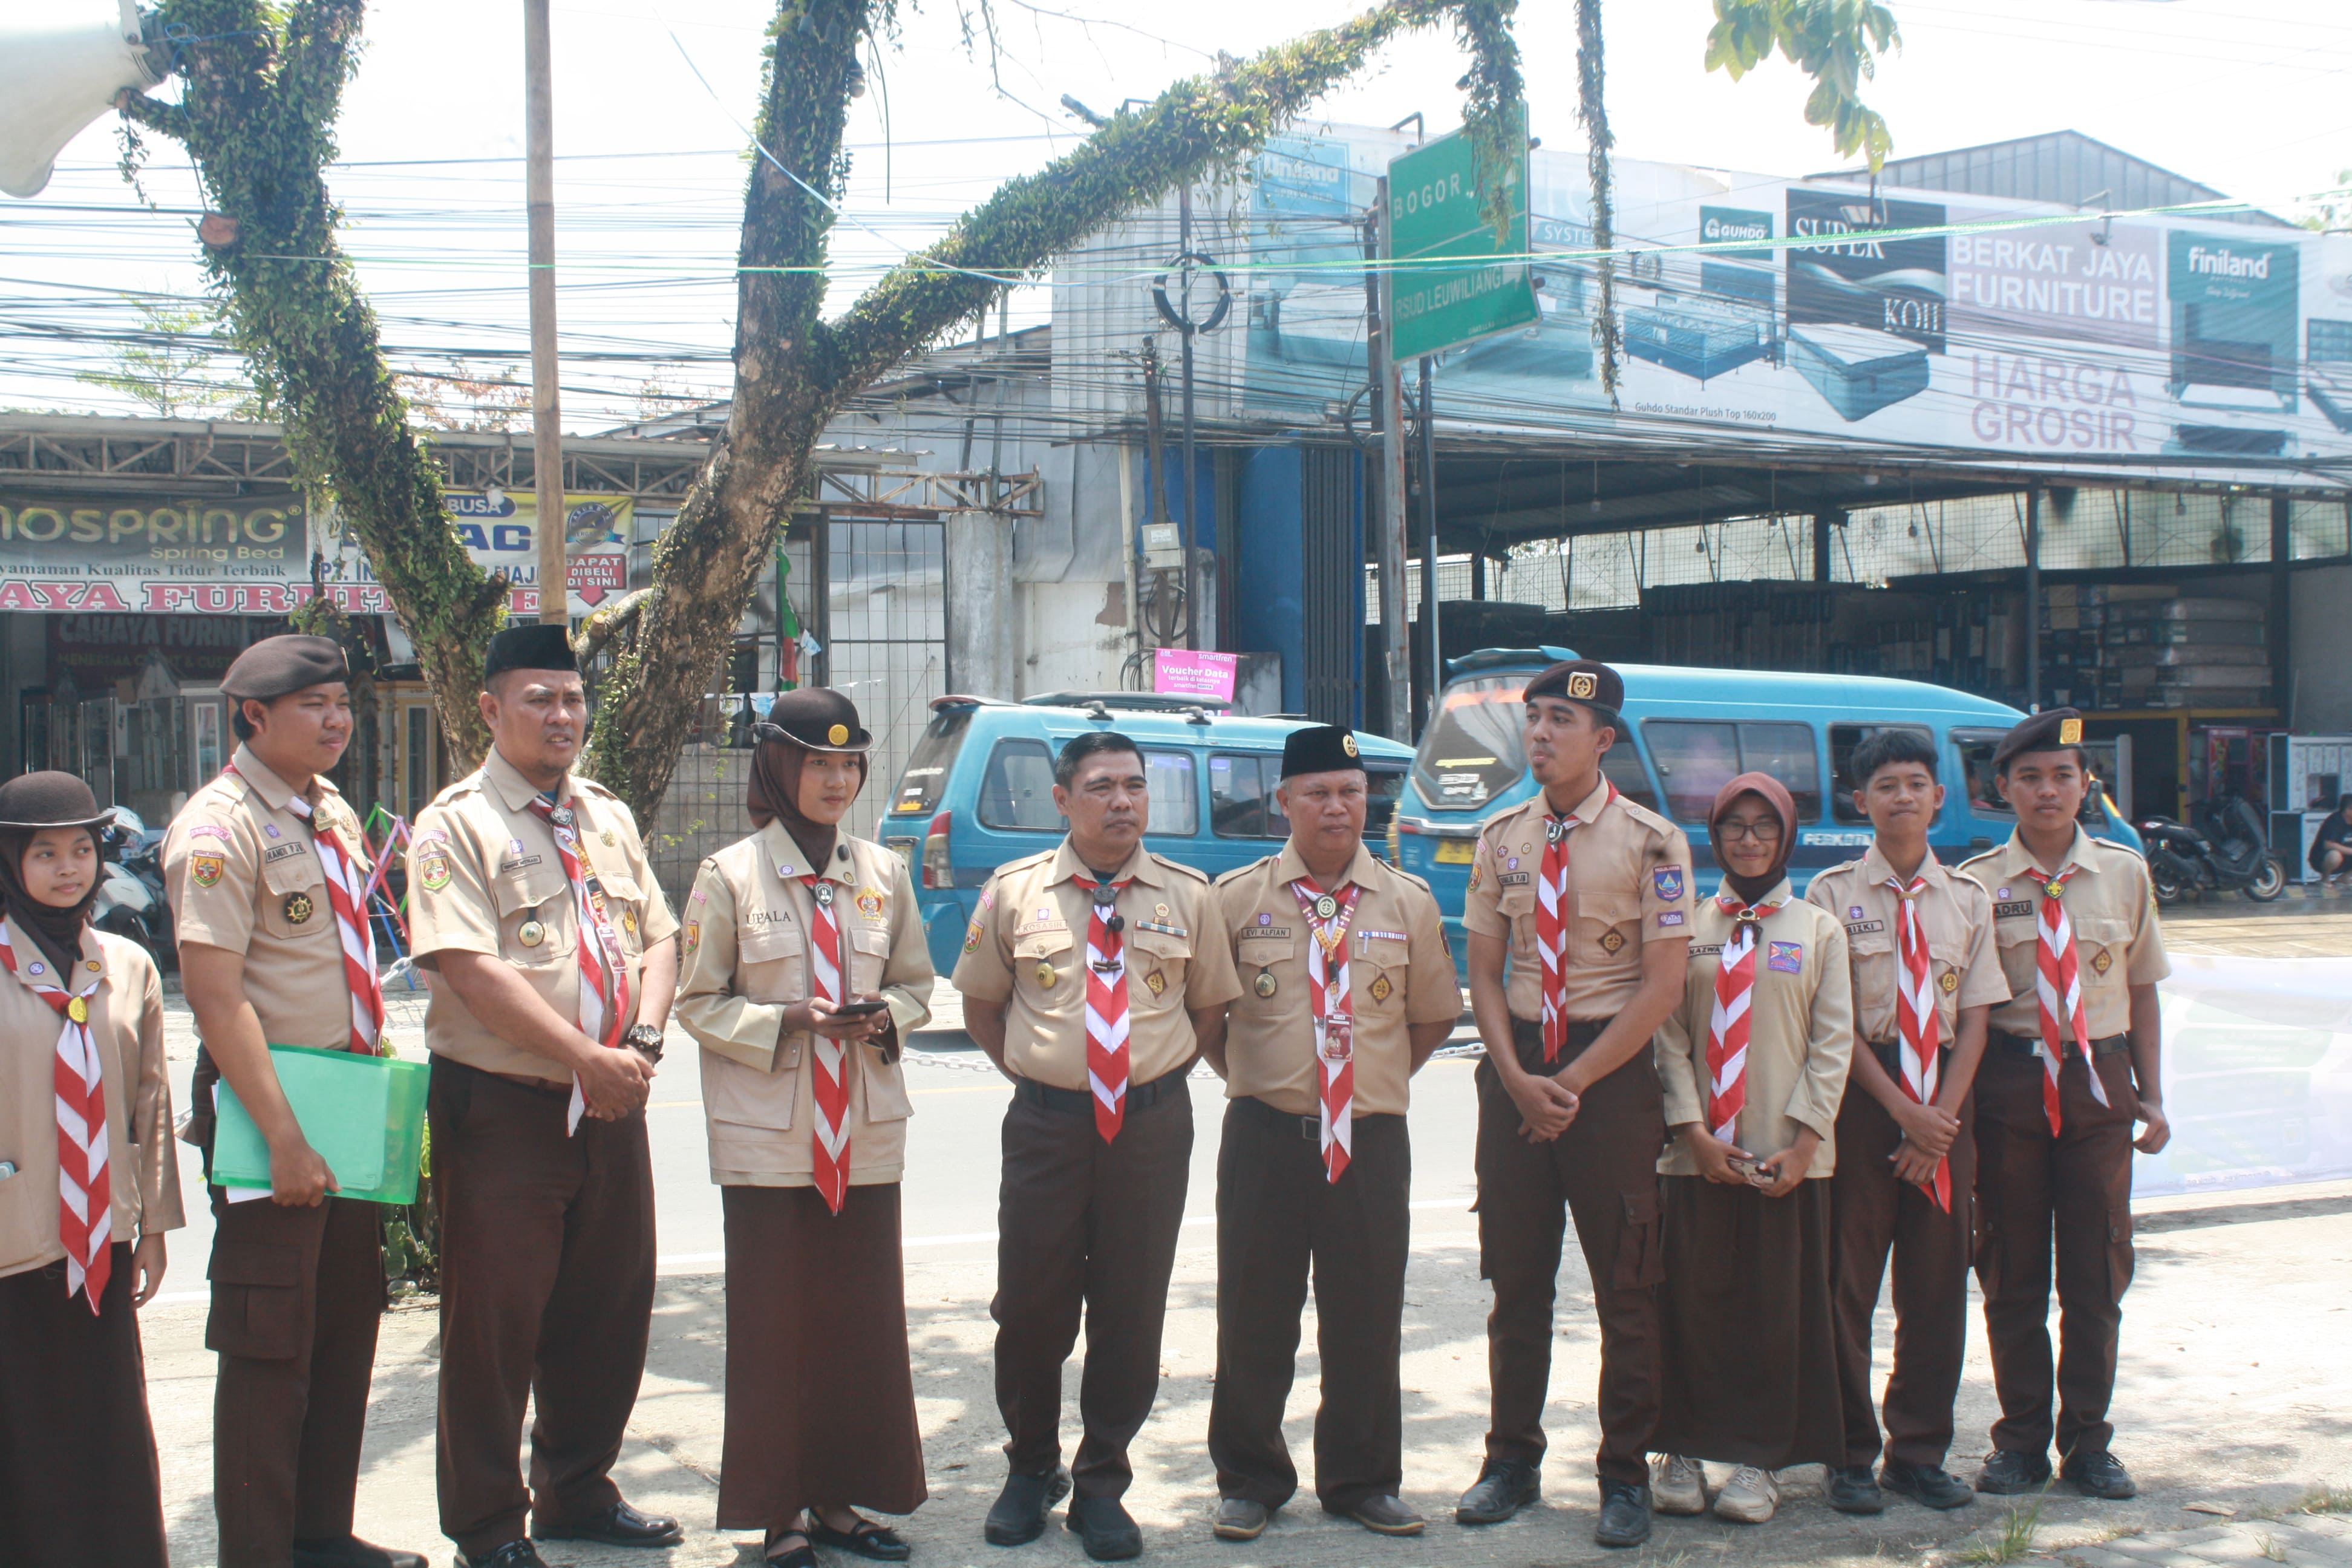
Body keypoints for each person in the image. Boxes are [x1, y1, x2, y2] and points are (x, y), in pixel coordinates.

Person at [407, 623, 683, 1568]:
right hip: (505, 1107)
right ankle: (488, 1525)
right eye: (539, 698)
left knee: (611, 1304)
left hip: (615, 1097)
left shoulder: (606, 813)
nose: (561, 715)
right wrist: (584, 1058)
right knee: (495, 1320)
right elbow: (465, 968)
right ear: (490, 710)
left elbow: (659, 934)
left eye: (571, 698)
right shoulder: (457, 823)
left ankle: (576, 1489)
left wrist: (639, 1040)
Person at [162, 635, 426, 1568]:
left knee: (344, 1330)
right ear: (253, 718)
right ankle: (262, 1552)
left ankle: (320, 1533)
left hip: (348, 1100)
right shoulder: (218, 827)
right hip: (273, 1105)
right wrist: (282, 1136)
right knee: (271, 1345)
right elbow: (215, 993)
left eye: (342, 703)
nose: (336, 721)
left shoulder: (331, 811)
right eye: (312, 705)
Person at [953, 731, 1242, 1562]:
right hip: (1047, 1127)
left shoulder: (1189, 896)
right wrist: (1048, 1077)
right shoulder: (1014, 893)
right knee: (1033, 1304)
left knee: (1131, 1306)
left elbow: (1209, 1012)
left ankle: (1103, 1479)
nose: (1123, 801)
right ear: (1062, 800)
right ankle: (1029, 1468)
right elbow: (982, 1008)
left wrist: (1143, 1079)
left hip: (1150, 1128)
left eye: (1135, 786)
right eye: (1103, 786)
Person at [673, 689, 935, 1567]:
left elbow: (916, 987)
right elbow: (697, 1003)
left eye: (849, 762)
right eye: (818, 763)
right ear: (780, 768)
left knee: (859, 1326)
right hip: (770, 1144)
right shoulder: (729, 876)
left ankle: (839, 1504)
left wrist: (879, 1016)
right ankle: (777, 1513)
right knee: (772, 1329)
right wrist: (791, 1021)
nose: (837, 779)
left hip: (863, 1139)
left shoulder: (883, 874)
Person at [1195, 725, 1460, 1543]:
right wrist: (1274, 1082)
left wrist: (1363, 1088)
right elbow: (1209, 1019)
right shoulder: (1235, 898)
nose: (1337, 807)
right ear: (1284, 802)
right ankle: (1250, 1479)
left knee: (1367, 1311)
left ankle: (1363, 1479)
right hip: (1267, 1135)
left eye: (1351, 790)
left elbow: (1431, 1020)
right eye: (1317, 792)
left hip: (1372, 1139)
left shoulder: (1407, 902)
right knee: (1254, 1311)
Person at [1453, 660, 1693, 1549]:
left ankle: (1624, 1474)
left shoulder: (1653, 843)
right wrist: (1518, 1076)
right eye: (1535, 719)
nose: (1543, 735)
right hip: (1518, 1067)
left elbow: (1664, 985)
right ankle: (1510, 1460)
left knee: (1626, 1284)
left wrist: (1575, 1083)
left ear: (1605, 740)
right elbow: (1482, 967)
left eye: (1561, 721)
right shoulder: (1501, 836)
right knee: (1515, 1283)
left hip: (1610, 1077)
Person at [1958, 708, 2171, 1501]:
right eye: (2031, 778)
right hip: (2009, 1085)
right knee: (2011, 1267)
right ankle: (2018, 1443)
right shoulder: (1976, 884)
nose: (2049, 791)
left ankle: (2088, 1442)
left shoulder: (2124, 872)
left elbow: (2141, 991)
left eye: (2063, 776)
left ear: (2088, 785)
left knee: (2095, 1270)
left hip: (2097, 1082)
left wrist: (2152, 1095)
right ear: (2003, 788)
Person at [1806, 730, 2005, 1515]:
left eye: (1915, 783)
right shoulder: (1829, 897)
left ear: (1938, 798)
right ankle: (1849, 1452)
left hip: (1947, 1106)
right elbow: (1833, 1022)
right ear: (1861, 802)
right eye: (1885, 785)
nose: (1901, 797)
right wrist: (1901, 1114)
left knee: (1934, 1290)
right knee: (1846, 1288)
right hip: (1866, 1101)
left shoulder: (1968, 899)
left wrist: (1940, 1124)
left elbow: (1979, 1017)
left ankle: (1916, 1452)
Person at [1649, 773, 1853, 1526]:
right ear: (1715, 837)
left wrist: (1804, 1143)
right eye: (1733, 825)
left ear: (1787, 835)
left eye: (1764, 825)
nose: (1749, 838)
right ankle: (1682, 1450)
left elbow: (1833, 1046)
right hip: (1698, 1154)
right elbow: (1667, 1036)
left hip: (1784, 1157)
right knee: (1690, 1303)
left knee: (1776, 1311)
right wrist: (1692, 1129)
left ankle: (1760, 1460)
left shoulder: (1817, 930)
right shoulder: (1688, 926)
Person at [0, 770, 181, 1568]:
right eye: (45, 853)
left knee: (105, 1427)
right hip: (12, 1245)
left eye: (82, 850)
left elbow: (153, 1110)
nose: (68, 869)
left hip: (98, 1243)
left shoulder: (125, 966)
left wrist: (153, 1229)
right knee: (21, 1435)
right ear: (11, 861)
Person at [2309, 793, 2352, 884]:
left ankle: (2345, 877)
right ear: (2348, 810)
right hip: (2323, 859)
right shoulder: (2335, 820)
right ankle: (2325, 879)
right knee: (2335, 855)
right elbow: (2328, 844)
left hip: (2346, 860)